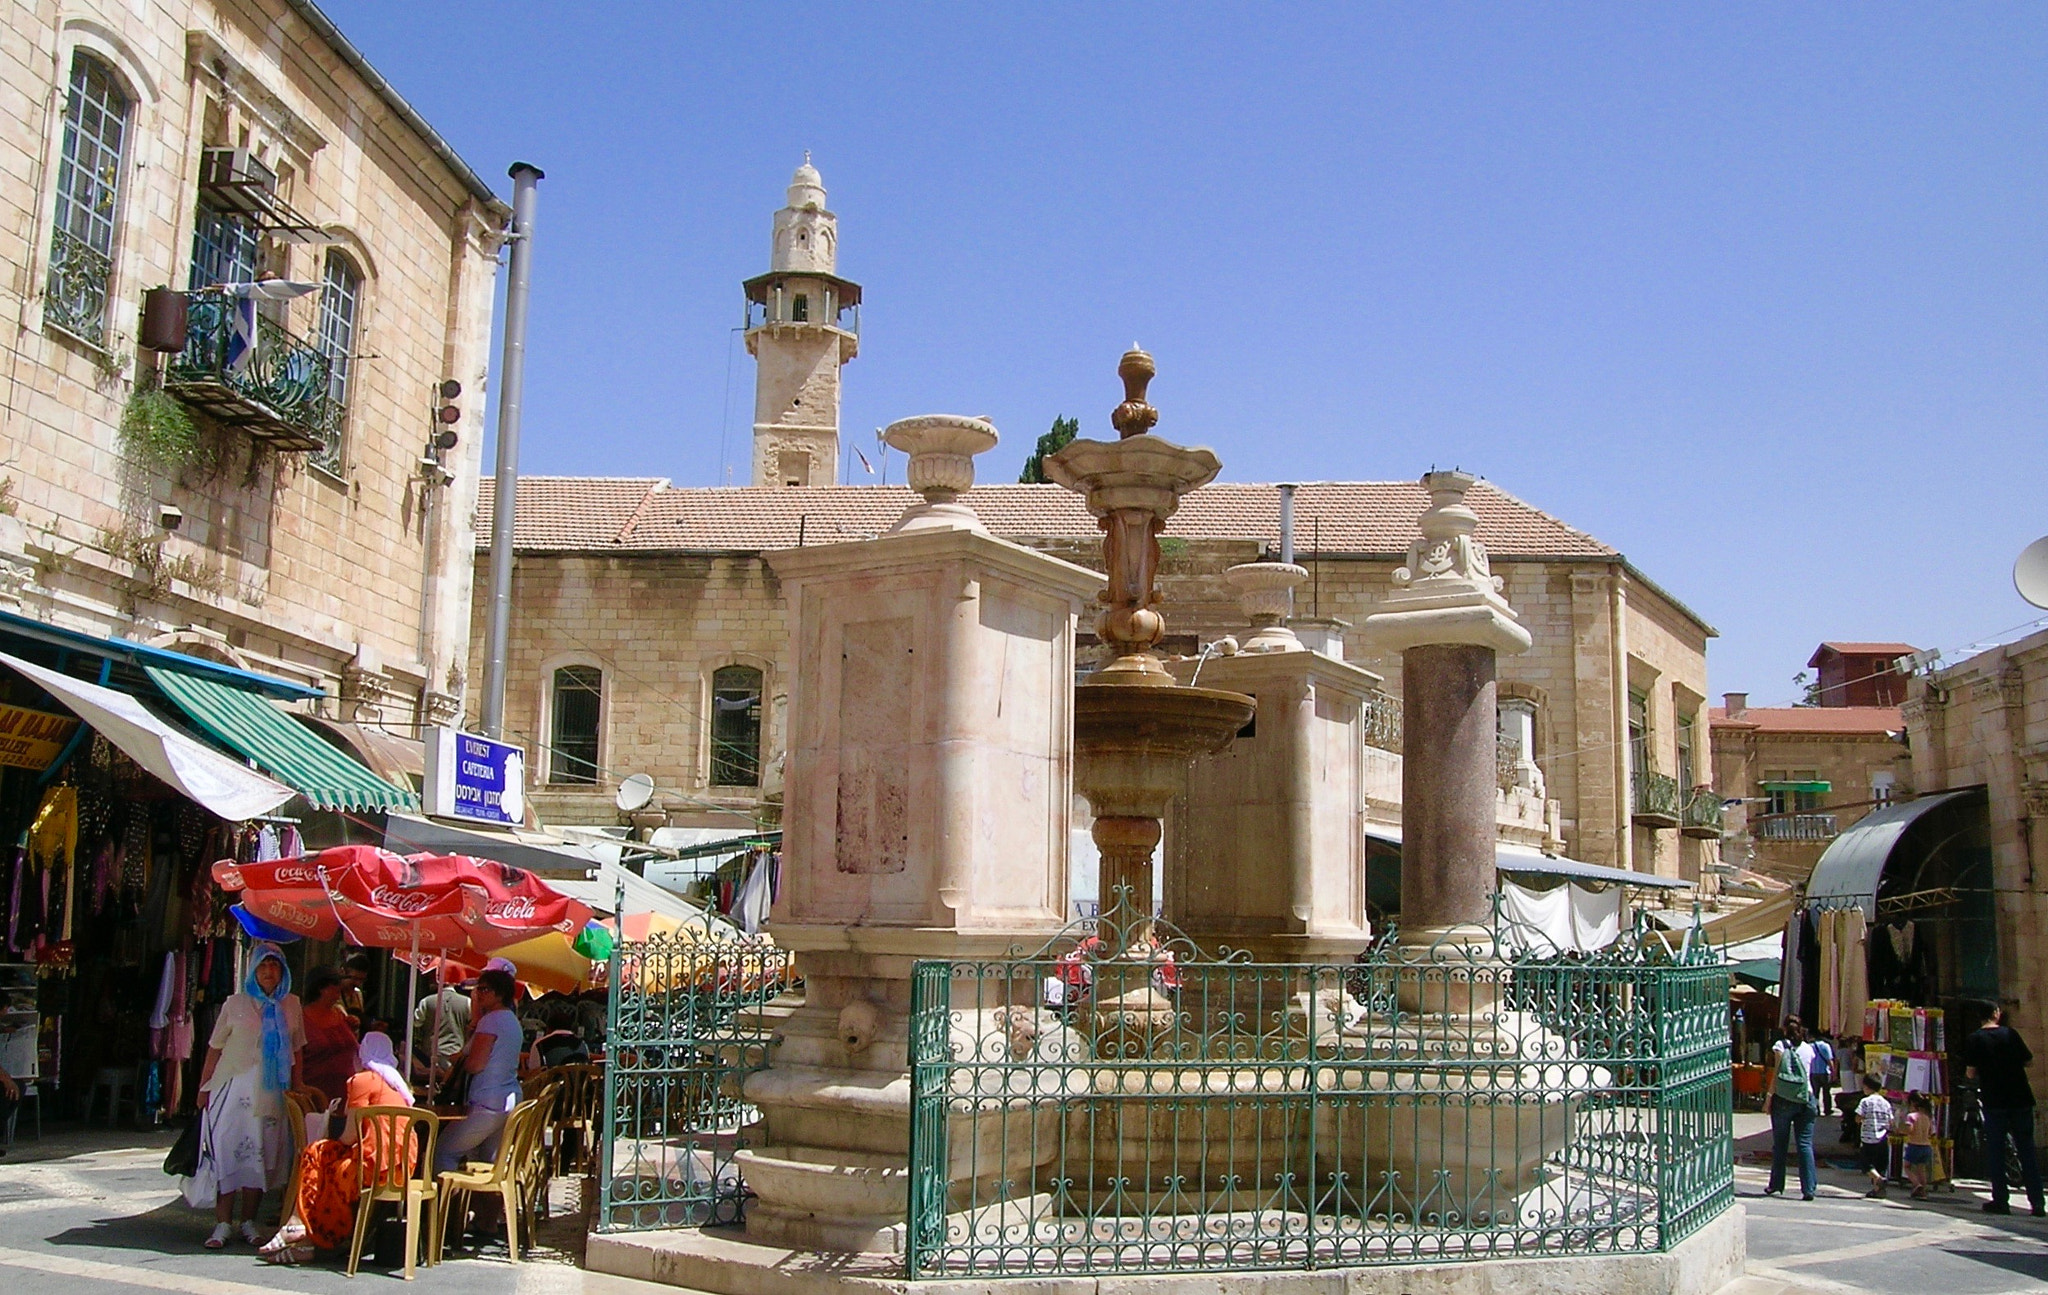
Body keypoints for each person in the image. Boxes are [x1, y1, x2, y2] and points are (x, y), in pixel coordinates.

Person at [258, 1032, 415, 1266]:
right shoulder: (401, 1086)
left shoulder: (362, 1080)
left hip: (373, 1165)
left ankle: (302, 1228)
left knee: (318, 1156)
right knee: (324, 1159)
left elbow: (349, 1136)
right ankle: (304, 1238)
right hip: (403, 1167)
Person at [188, 943, 304, 1249]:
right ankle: (222, 1223)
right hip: (233, 1089)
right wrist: (203, 1089)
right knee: (228, 1153)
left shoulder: (291, 1004)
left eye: (275, 966)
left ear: (283, 971)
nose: (268, 972)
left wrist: (299, 1087)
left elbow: (296, 1051)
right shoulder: (235, 1003)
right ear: (253, 970)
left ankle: (249, 1222)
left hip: (273, 1094)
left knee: (261, 1155)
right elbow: (214, 1049)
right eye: (263, 966)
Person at [433, 968, 523, 1173]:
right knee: (489, 1160)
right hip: (507, 1099)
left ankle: (447, 1204)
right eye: (477, 989)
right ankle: (488, 1203)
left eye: (484, 989)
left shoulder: (490, 1021)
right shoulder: (511, 1020)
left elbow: (475, 1065)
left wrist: (460, 1064)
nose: (478, 993)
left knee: (444, 1151)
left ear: (499, 994)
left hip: (487, 1101)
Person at [1964, 1002, 2045, 1216]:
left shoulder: (1975, 1039)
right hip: (2020, 1097)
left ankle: (2001, 1200)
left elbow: (1970, 1073)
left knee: (1996, 1151)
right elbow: (2028, 1061)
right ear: (1995, 1014)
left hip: (1994, 1099)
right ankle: (2037, 1202)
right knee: (2026, 1149)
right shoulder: (2010, 1034)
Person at [1764, 1016, 1818, 1201]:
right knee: (1804, 1144)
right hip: (1806, 1098)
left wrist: (1769, 1097)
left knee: (1780, 1144)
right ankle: (1809, 1188)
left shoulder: (1780, 1046)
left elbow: (1777, 1074)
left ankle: (1776, 1184)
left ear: (1785, 1029)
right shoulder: (1809, 1049)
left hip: (1784, 1099)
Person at [299, 966, 359, 1106]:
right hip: (317, 1098)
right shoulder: (301, 1019)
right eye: (334, 984)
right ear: (321, 988)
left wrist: (353, 1028)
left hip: (347, 1096)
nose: (339, 988)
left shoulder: (340, 1013)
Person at [411, 967, 472, 1083]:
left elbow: (416, 1022)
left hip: (431, 1054)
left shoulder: (426, 1001)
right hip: (456, 1054)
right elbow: (472, 1024)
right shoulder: (467, 1002)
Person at [523, 996, 591, 1074]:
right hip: (580, 1085)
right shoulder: (583, 1044)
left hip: (552, 1085)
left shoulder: (540, 1045)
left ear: (549, 1028)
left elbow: (533, 1073)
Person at [1854, 1074, 1895, 1198]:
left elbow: (1858, 1117)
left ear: (1866, 1087)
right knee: (1880, 1165)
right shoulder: (1886, 1103)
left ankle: (1878, 1179)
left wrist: (1860, 1120)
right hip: (1883, 1138)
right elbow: (1891, 1121)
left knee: (1866, 1164)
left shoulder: (1865, 1101)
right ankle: (1878, 1189)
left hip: (1868, 1138)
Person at [1901, 1093, 1936, 1200]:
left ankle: (1917, 1184)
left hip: (1914, 1145)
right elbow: (1931, 1132)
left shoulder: (1912, 1116)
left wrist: (1901, 1129)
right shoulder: (1927, 1117)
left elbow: (1910, 1130)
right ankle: (1923, 1192)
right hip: (1926, 1146)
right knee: (1921, 1169)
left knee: (1907, 1167)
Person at [339, 952, 374, 1030]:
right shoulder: (333, 994)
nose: (358, 983)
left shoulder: (358, 994)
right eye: (354, 978)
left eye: (362, 980)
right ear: (343, 972)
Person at [1809, 1031, 1837, 1116]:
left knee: (1815, 1093)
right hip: (1824, 1073)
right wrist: (1834, 1073)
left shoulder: (1810, 1046)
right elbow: (1829, 1060)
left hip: (1813, 1072)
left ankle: (1816, 1109)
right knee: (1826, 1092)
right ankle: (1827, 1109)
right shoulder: (1825, 1046)